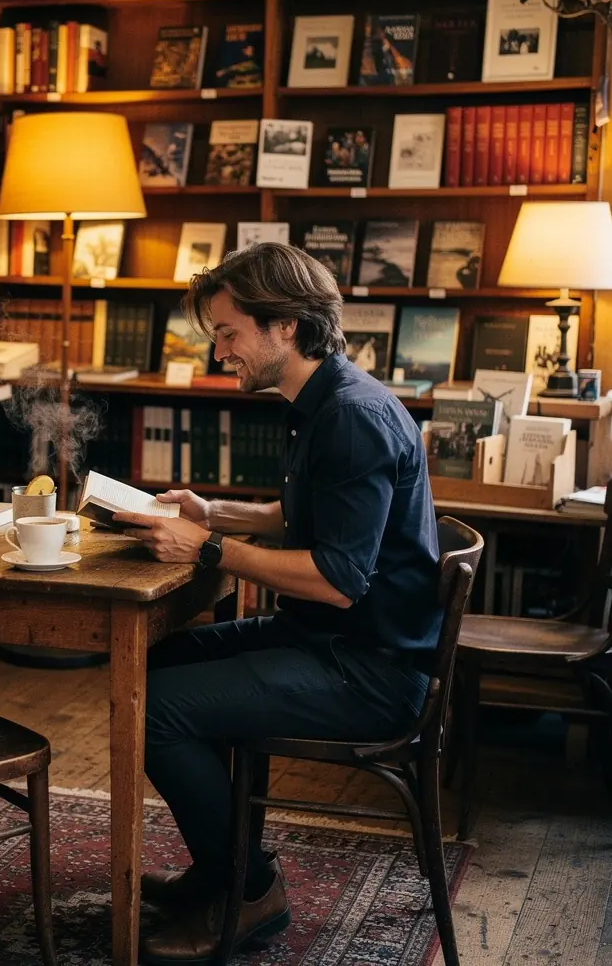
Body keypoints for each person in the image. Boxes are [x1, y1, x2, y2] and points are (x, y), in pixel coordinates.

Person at [112, 243, 442, 965]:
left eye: (229, 333)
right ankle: (222, 864)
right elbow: (302, 515)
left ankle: (251, 889)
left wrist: (204, 548)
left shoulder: (351, 418)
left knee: (156, 706)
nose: (219, 349)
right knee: (148, 664)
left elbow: (338, 577)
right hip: (329, 641)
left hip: (369, 671)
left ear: (286, 326)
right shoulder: (323, 400)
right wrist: (215, 511)